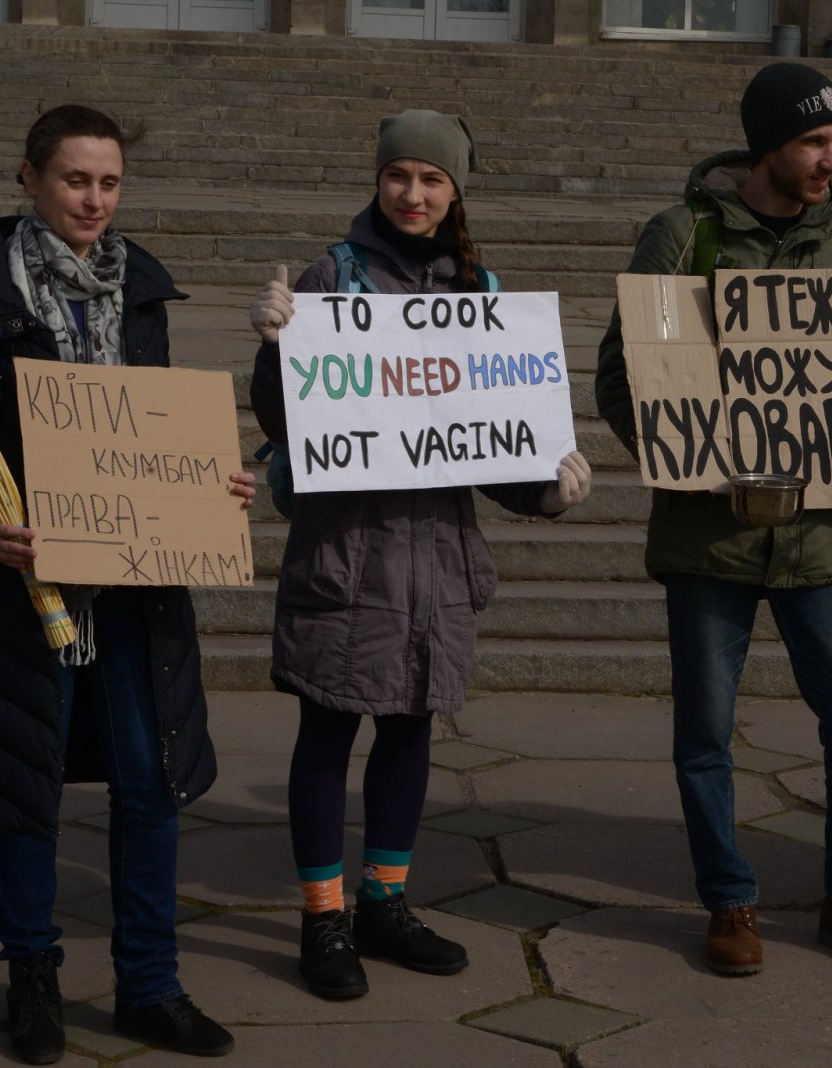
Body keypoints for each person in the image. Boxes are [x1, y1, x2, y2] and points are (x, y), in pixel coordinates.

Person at [0, 104, 250, 1063]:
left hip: (134, 590)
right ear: (29, 179)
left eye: (109, 183)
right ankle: (33, 977)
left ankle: (151, 985)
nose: (94, 200)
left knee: (150, 781)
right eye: (75, 180)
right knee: (25, 787)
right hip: (17, 590)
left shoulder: (140, 288)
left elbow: (154, 432)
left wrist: (210, 484)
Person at [248, 109, 591, 1001]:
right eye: (399, 175)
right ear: (378, 179)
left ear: (455, 190)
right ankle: (322, 917)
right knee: (327, 734)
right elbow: (288, 424)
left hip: (436, 564)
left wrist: (548, 490)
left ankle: (384, 902)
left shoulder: (482, 296)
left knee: (410, 731)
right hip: (345, 558)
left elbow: (496, 450)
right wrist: (274, 348)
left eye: (432, 179)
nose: (413, 193)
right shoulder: (331, 277)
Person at [594, 63, 832, 978]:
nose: (831, 161)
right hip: (710, 538)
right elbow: (620, 376)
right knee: (706, 734)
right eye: (814, 143)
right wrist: (679, 451)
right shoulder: (682, 235)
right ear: (768, 146)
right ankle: (729, 903)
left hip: (823, 536)